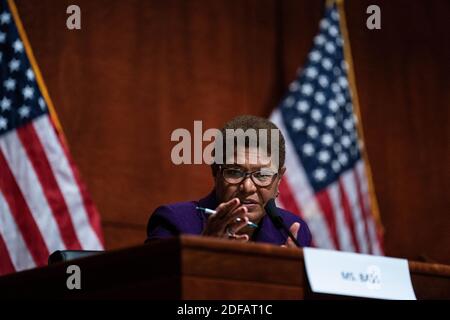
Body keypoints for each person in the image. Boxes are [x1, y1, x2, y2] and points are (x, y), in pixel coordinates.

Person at [146, 115, 311, 247]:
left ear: (279, 179)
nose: (247, 187)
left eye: (262, 175)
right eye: (234, 172)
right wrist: (204, 250)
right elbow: (153, 287)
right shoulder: (174, 221)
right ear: (215, 172)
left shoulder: (292, 231)